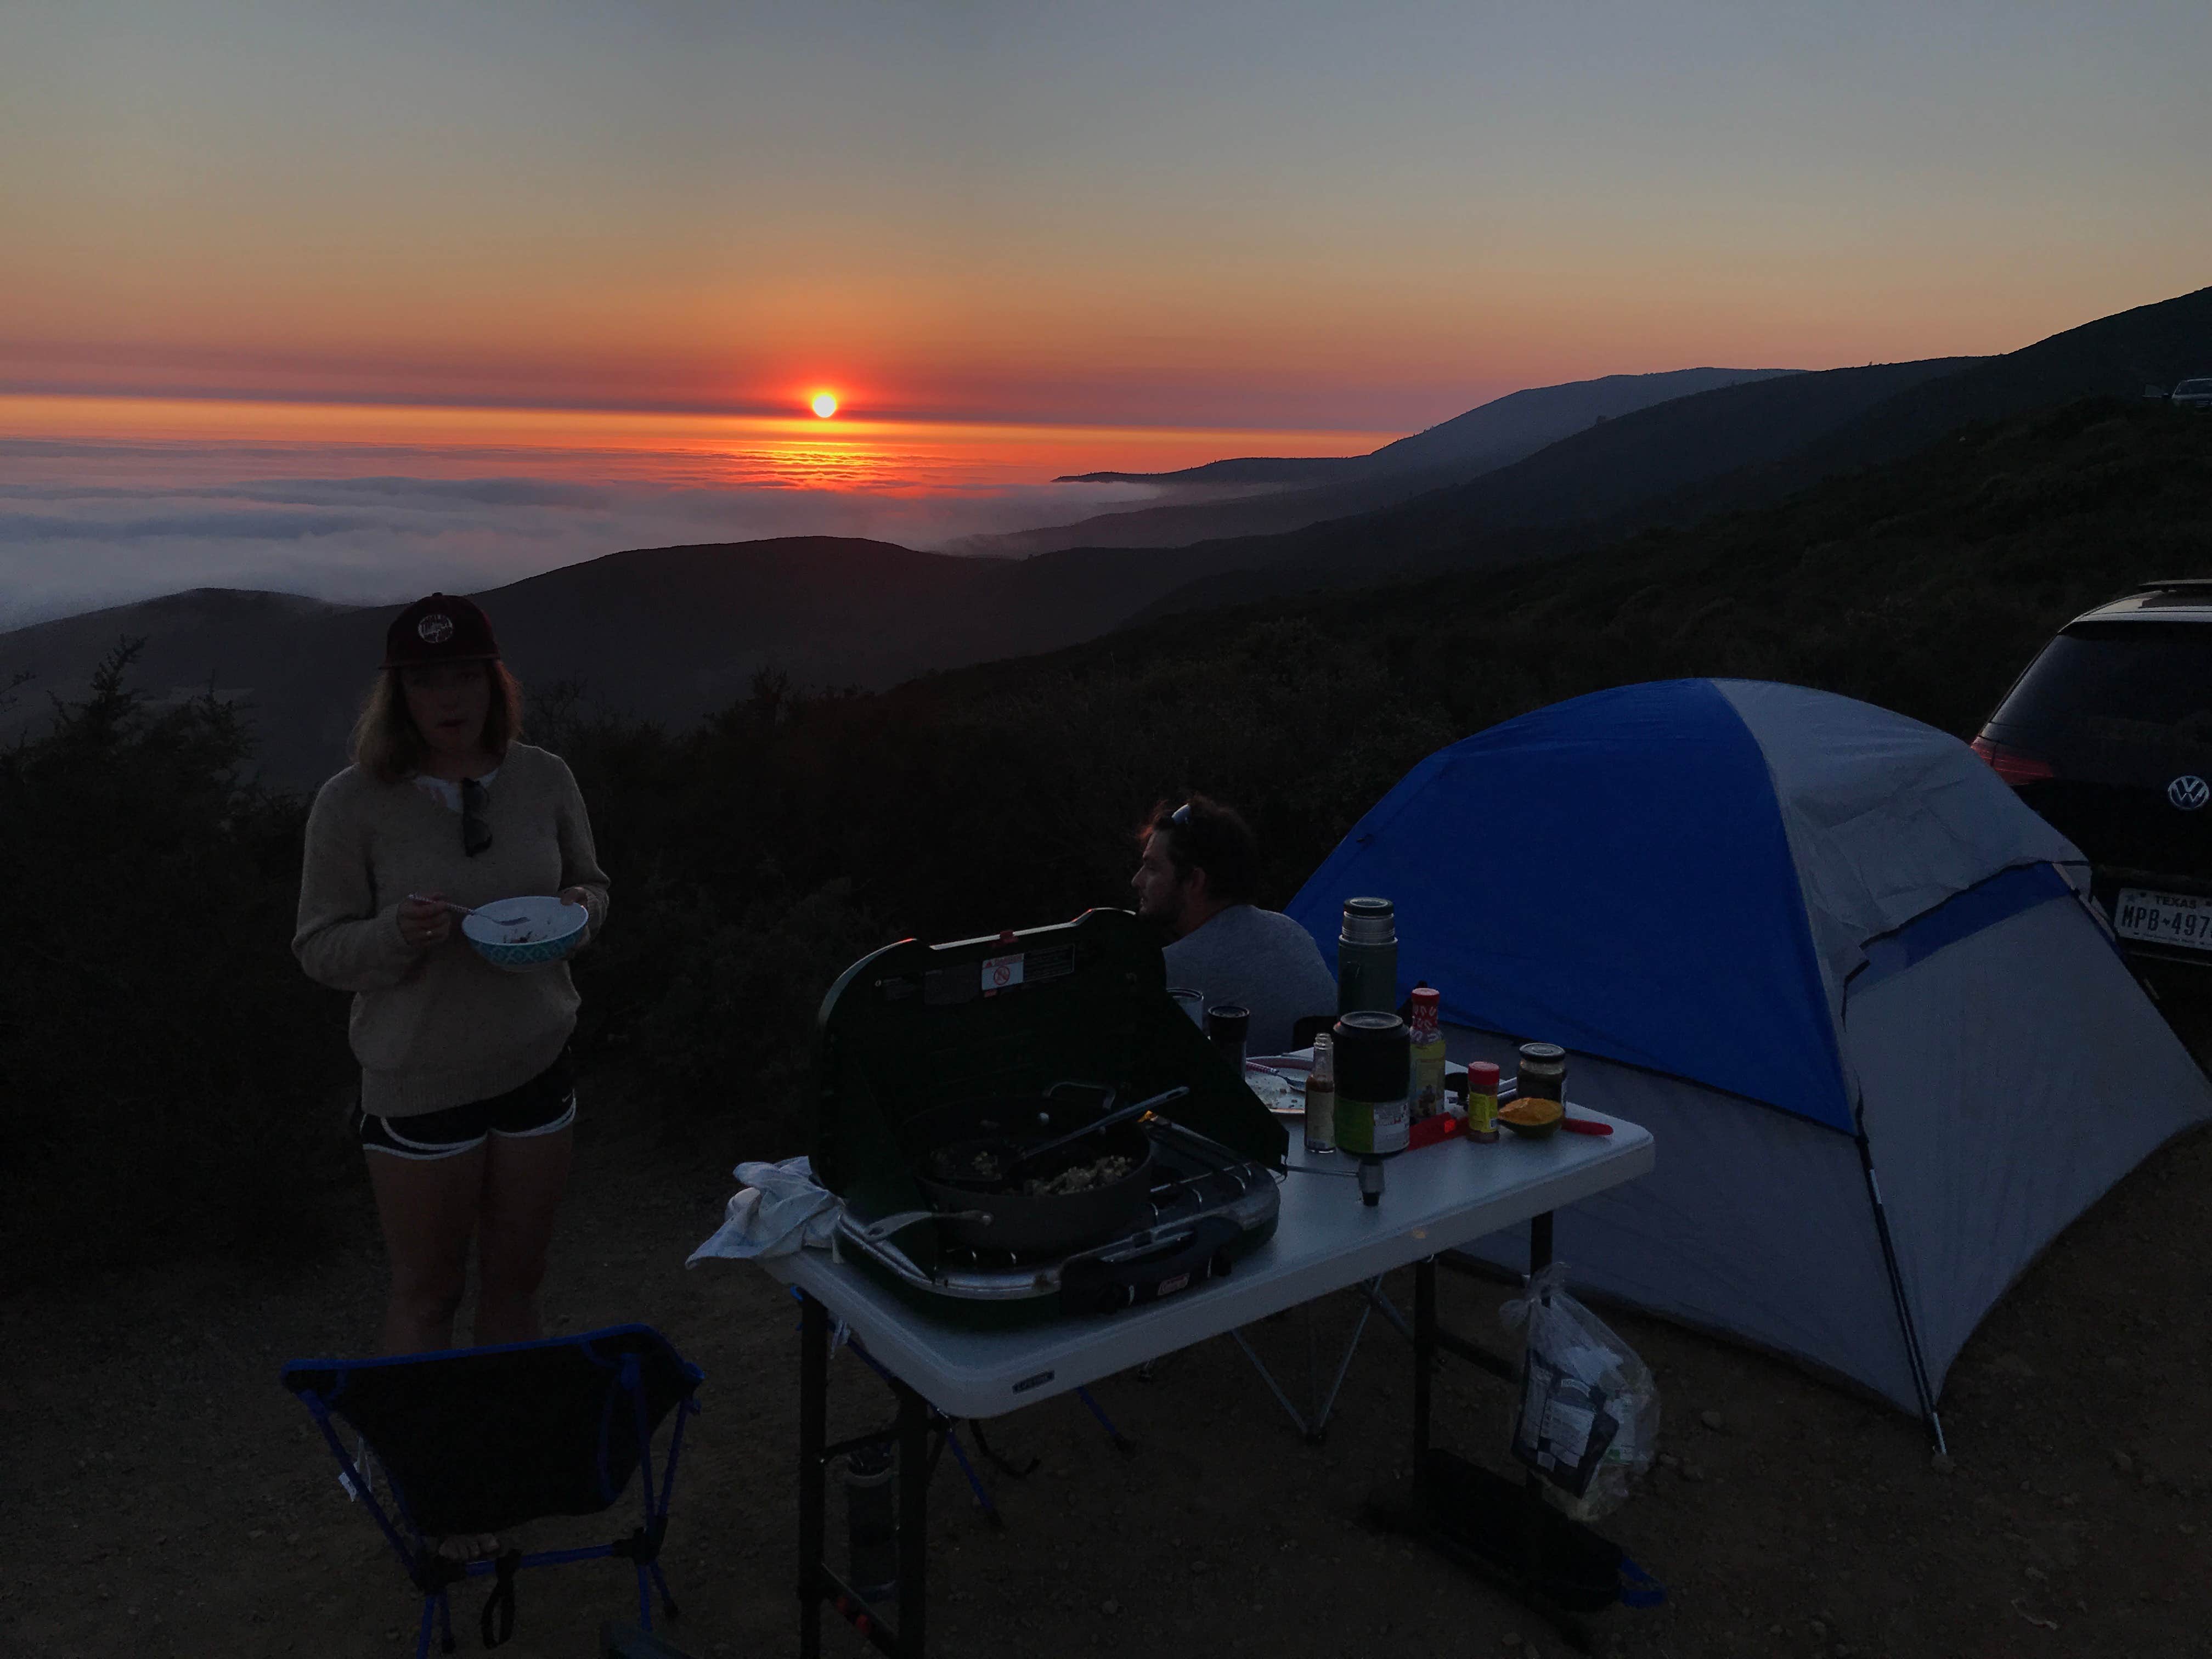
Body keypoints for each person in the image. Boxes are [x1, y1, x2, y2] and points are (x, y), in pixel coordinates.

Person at [294, 593, 609, 1361]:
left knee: (519, 1281)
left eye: (467, 675)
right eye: (428, 680)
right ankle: (418, 1468)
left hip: (537, 1066)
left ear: (494, 684)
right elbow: (319, 947)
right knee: (429, 1292)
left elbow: (593, 883)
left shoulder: (544, 778)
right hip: (419, 1083)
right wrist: (396, 934)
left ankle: (504, 1450)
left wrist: (579, 911)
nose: (451, 696)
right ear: (398, 694)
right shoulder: (352, 803)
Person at [1131, 795, 1337, 1057]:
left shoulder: (1171, 970)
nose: (1136, 881)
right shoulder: (1292, 932)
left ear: (1194, 881)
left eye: (1152, 868)